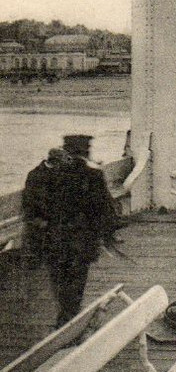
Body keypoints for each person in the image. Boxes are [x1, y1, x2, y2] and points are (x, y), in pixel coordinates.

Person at [22, 135, 119, 328]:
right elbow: (105, 210)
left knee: (59, 281)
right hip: (81, 242)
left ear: (66, 150)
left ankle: (66, 318)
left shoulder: (49, 175)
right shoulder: (94, 176)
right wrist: (107, 236)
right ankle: (69, 319)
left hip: (54, 240)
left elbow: (35, 206)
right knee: (76, 282)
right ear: (86, 151)